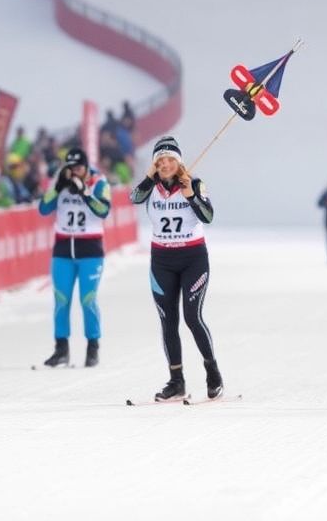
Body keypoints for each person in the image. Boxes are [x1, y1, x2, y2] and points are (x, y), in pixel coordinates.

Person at [130, 136, 223, 401]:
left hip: (193, 259)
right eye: (160, 160)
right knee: (168, 321)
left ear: (179, 162)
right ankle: (176, 381)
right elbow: (135, 198)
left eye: (170, 159)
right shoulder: (150, 187)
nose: (166, 164)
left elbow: (208, 216)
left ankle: (213, 373)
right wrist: (149, 176)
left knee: (192, 318)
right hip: (162, 262)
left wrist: (191, 196)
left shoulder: (194, 183)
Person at [38, 147, 112, 368]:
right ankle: (61, 349)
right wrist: (57, 187)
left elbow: (103, 211)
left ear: (86, 166)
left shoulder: (99, 182)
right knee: (61, 300)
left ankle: (93, 347)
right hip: (63, 249)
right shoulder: (60, 179)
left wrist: (85, 193)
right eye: (71, 167)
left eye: (79, 167)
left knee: (88, 300)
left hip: (90, 250)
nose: (75, 172)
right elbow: (43, 208)